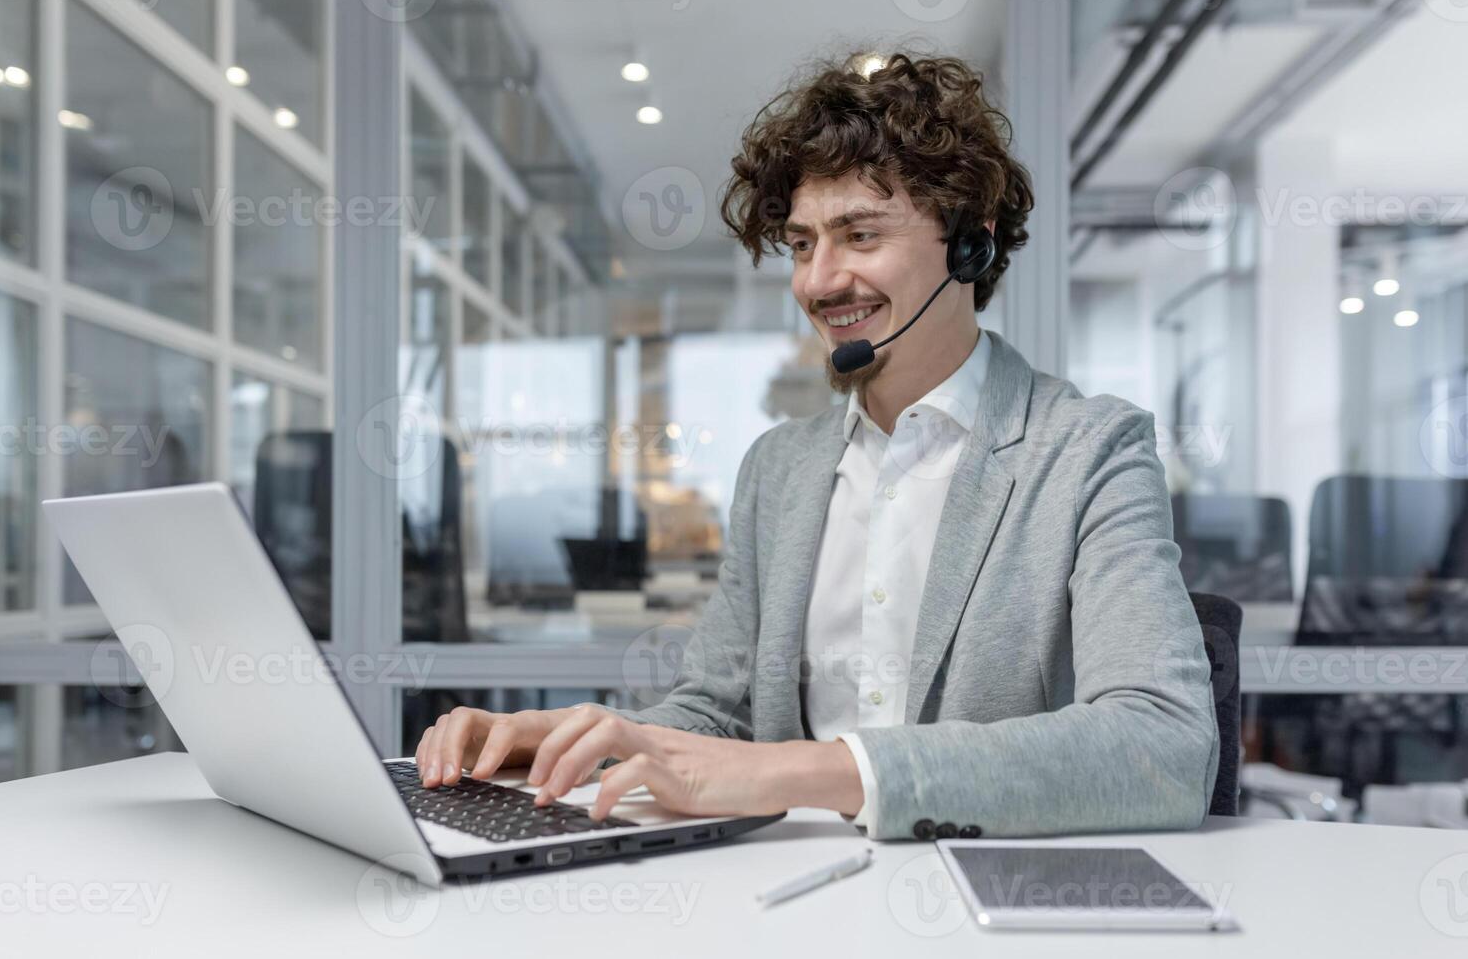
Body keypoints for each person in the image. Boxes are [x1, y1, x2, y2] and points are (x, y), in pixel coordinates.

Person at [414, 51, 1220, 841]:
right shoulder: (781, 469)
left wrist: (807, 772)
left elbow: (1164, 747)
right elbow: (712, 717)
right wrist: (571, 742)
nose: (818, 282)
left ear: (969, 245)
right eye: (802, 245)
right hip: (790, 899)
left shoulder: (1086, 451)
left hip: (991, 909)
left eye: (859, 236)